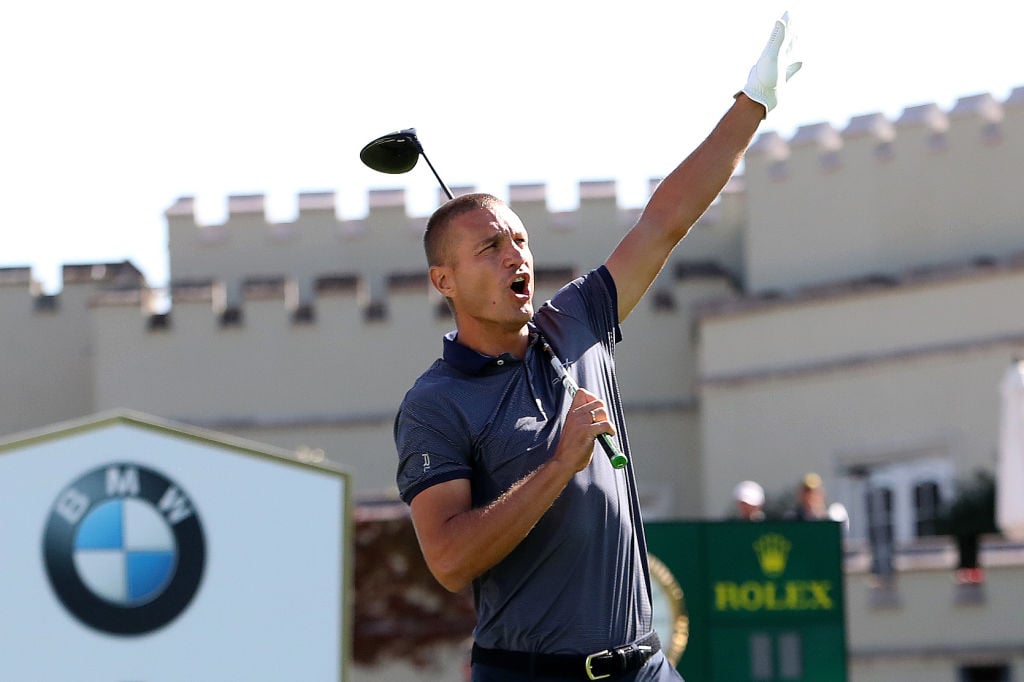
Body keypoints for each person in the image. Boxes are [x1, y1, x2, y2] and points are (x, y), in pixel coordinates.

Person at [394, 13, 802, 681]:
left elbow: (665, 220)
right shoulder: (434, 403)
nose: (514, 256)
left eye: (519, 241)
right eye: (489, 248)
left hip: (644, 667)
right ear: (445, 281)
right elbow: (448, 559)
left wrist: (753, 103)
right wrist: (559, 465)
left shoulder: (575, 319)